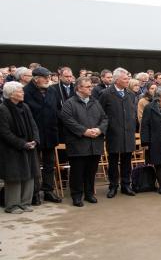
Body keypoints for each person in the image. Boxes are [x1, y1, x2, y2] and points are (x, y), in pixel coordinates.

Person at [59, 76, 108, 207]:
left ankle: (89, 194)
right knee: (77, 172)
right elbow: (68, 120)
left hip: (95, 143)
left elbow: (104, 118)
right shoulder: (69, 103)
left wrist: (99, 129)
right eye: (87, 87)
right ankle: (76, 196)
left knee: (91, 171)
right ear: (79, 88)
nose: (91, 88)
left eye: (91, 86)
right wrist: (84, 131)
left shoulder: (95, 102)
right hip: (78, 144)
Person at [23, 66, 62, 203]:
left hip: (50, 133)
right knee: (34, 166)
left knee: (49, 165)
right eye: (45, 78)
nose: (48, 80)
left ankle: (48, 191)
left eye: (49, 77)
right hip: (34, 135)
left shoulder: (52, 91)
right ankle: (34, 193)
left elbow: (58, 109)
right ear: (36, 78)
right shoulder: (25, 92)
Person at [0, 81, 38, 214]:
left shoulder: (25, 107)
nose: (23, 93)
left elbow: (33, 126)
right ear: (11, 94)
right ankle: (12, 205)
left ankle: (25, 202)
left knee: (30, 175)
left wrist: (35, 140)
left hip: (29, 147)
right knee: (14, 177)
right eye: (20, 91)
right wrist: (22, 144)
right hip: (12, 149)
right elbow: (4, 132)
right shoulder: (3, 109)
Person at [100, 67, 137, 198]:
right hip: (113, 133)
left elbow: (133, 113)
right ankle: (113, 186)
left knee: (127, 160)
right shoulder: (106, 94)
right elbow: (101, 114)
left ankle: (126, 185)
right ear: (116, 80)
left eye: (128, 78)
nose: (128, 80)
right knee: (113, 161)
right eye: (125, 78)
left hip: (128, 133)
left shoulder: (131, 94)